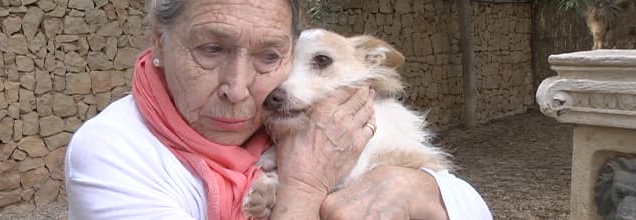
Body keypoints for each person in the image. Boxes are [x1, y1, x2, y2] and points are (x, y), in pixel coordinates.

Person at [64, 0, 493, 219]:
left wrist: (422, 189)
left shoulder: (303, 113)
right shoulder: (113, 150)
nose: (239, 88)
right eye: (211, 50)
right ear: (159, 43)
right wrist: (304, 188)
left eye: (269, 57)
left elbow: (472, 207)